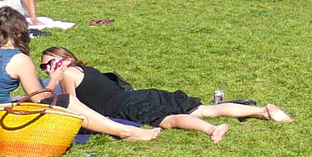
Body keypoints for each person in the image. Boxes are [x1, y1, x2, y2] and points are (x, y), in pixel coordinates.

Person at [0, 10, 160, 144]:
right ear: (21, 31)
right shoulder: (19, 59)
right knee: (67, 101)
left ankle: (123, 129)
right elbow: (40, 100)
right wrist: (55, 77)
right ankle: (125, 131)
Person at [39, 45, 292, 142]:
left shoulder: (68, 75)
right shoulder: (88, 69)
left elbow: (72, 105)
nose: (47, 68)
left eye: (50, 62)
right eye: (44, 66)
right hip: (144, 93)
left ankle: (211, 130)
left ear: (66, 59)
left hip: (124, 105)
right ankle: (263, 111)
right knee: (204, 107)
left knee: (169, 120)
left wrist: (54, 79)